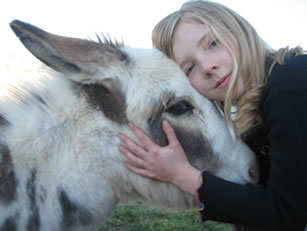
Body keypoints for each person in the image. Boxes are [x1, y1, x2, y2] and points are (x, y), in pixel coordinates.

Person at [117, 0, 307, 230]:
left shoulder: (291, 84)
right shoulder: (256, 109)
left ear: (238, 30)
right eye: (189, 68)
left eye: (213, 43)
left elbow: (288, 214)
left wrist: (183, 175)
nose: (207, 66)